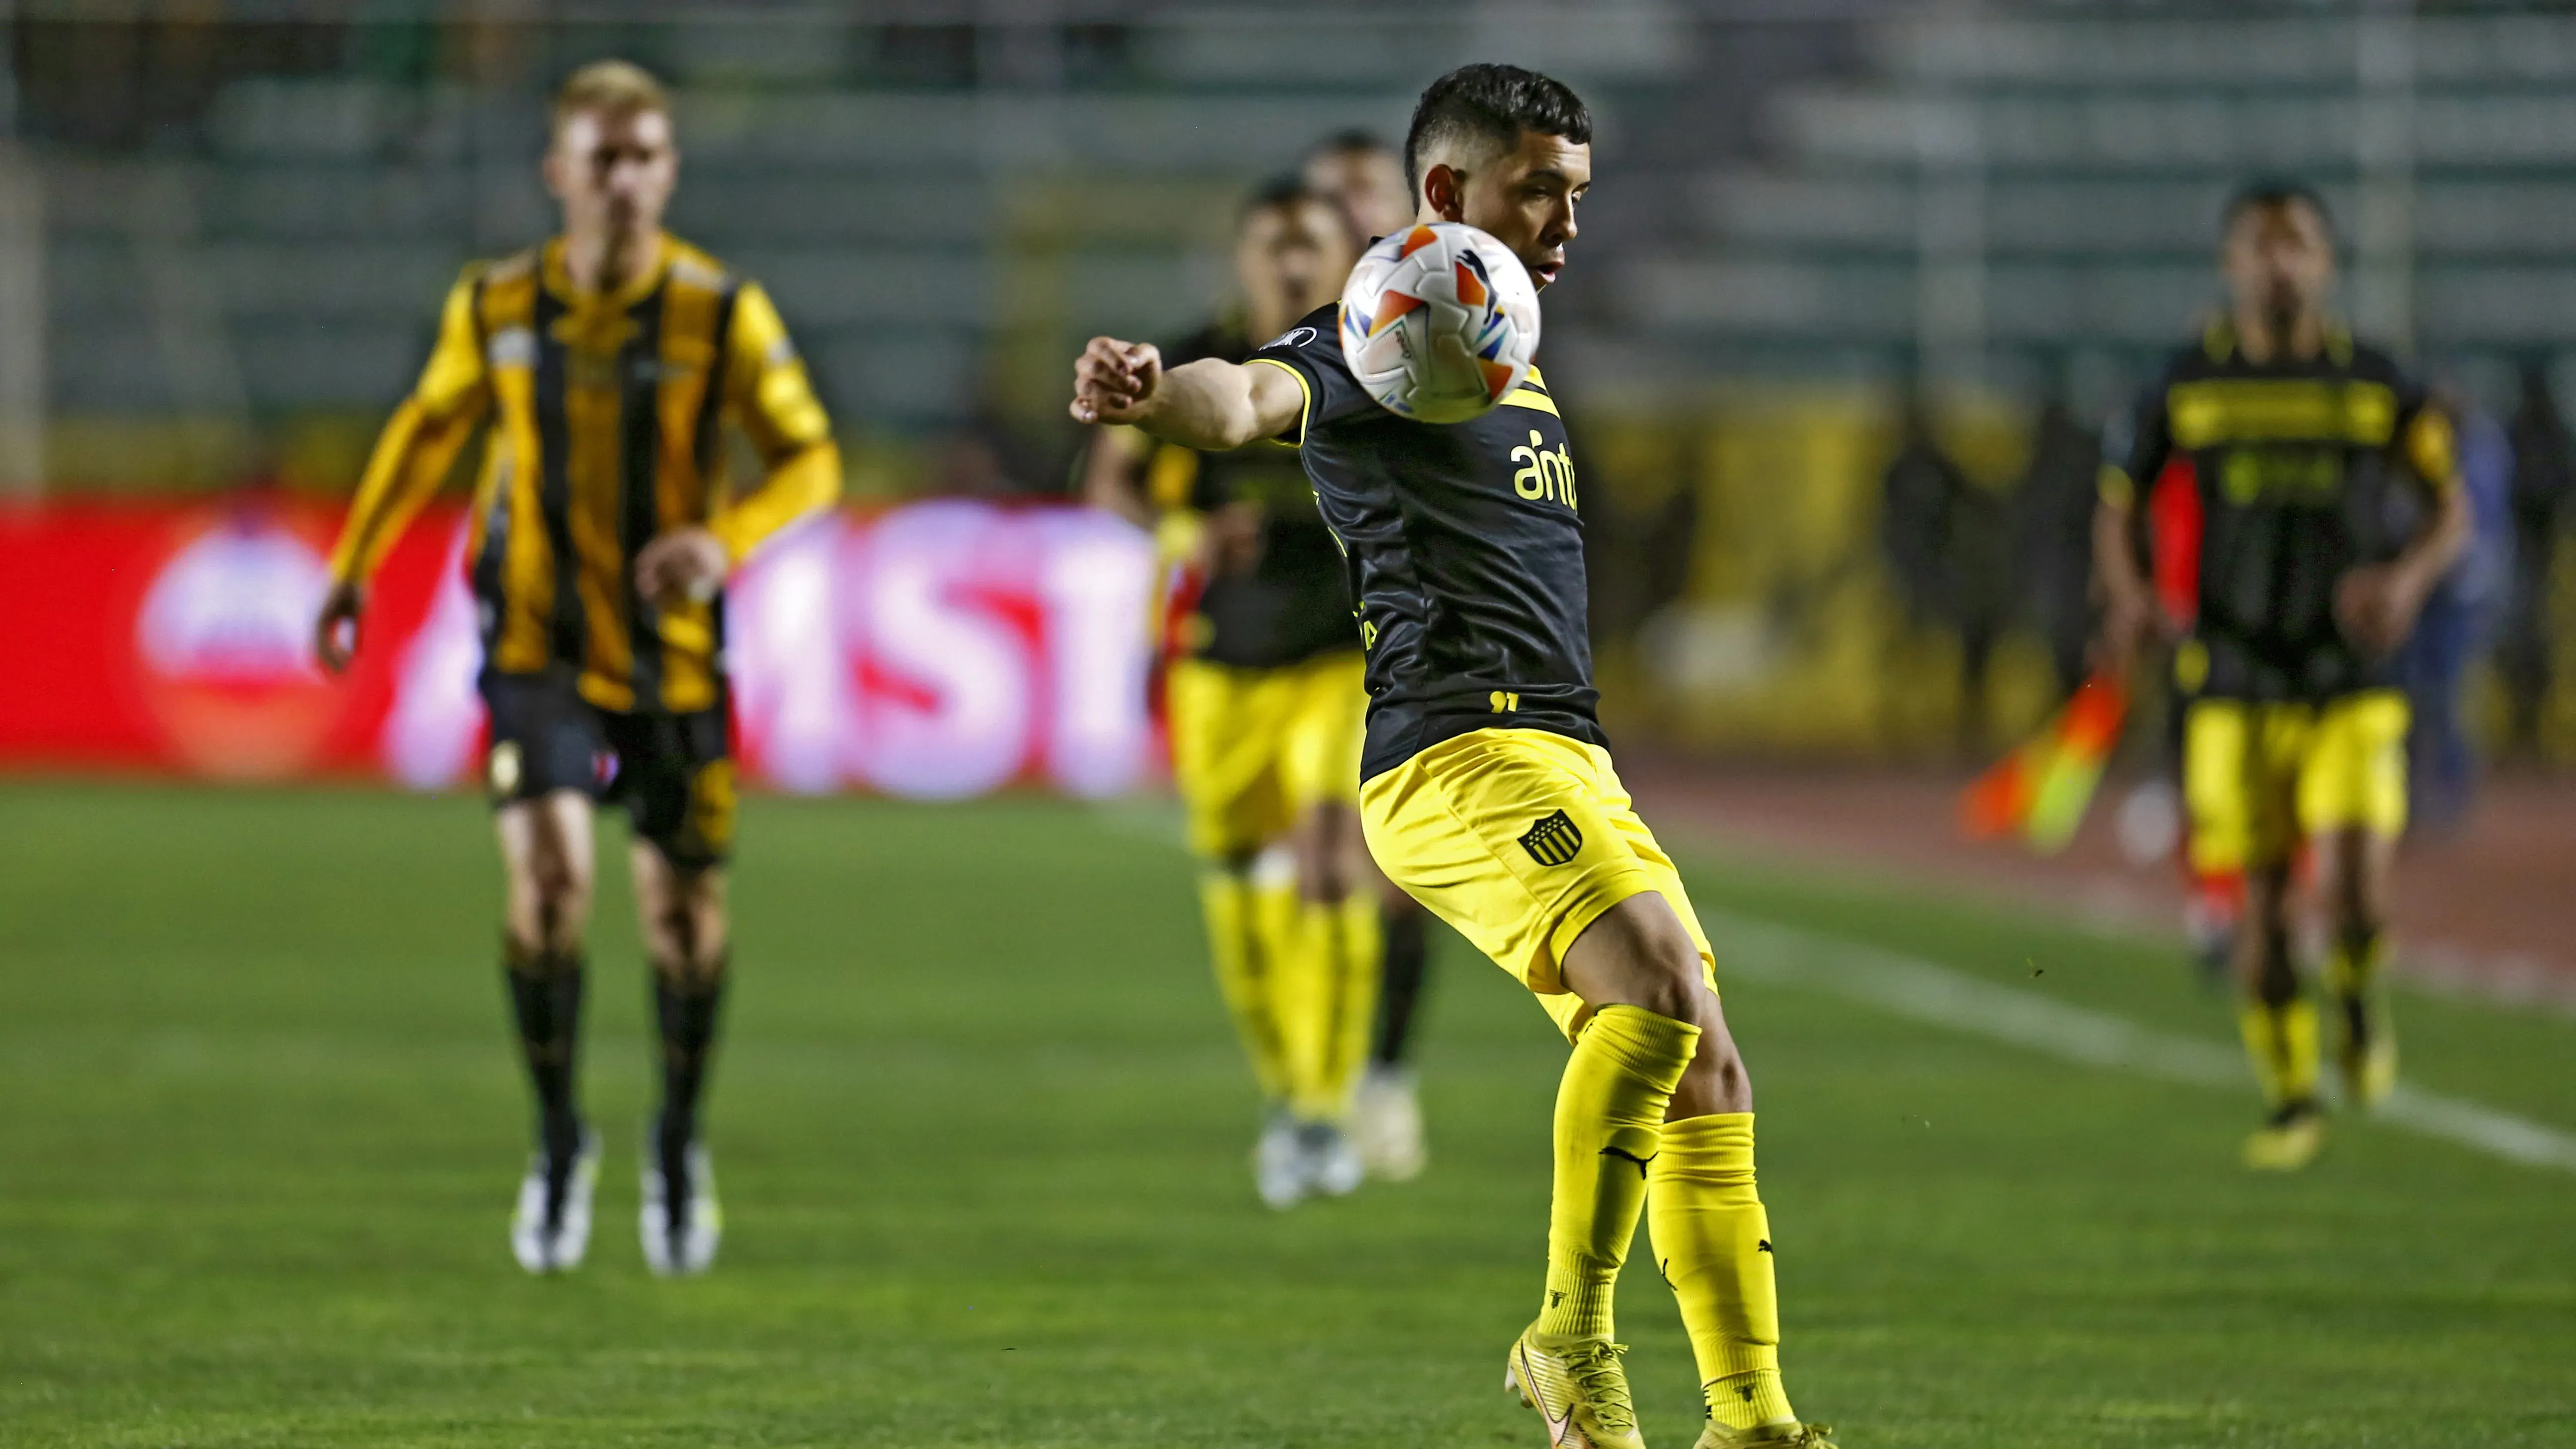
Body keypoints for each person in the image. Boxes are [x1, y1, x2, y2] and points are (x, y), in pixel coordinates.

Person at [1072, 63, 1834, 1449]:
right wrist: (1150, 393)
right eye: (1541, 187)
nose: (1568, 218)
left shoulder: (1507, 345)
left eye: (1578, 192)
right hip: (1455, 754)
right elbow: (1245, 399)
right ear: (1448, 193)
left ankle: (1753, 1419)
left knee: (1705, 1067)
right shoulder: (1382, 336)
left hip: (1564, 751)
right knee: (1656, 994)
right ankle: (1570, 1337)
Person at [313, 60, 841, 1274]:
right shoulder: (496, 304)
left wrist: (726, 537)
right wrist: (350, 564)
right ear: (558, 172)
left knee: (681, 922)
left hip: (675, 659)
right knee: (547, 890)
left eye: (646, 155)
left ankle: (675, 1143)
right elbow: (425, 427)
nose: (626, 179)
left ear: (671, 169)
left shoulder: (720, 309)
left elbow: (809, 460)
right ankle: (558, 1143)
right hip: (535, 644)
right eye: (603, 157)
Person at [2094, 180, 2466, 1172]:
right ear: (2232, 266)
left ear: (2326, 264)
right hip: (2233, 678)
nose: (2279, 264)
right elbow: (2118, 501)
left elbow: (2450, 506)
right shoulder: (2186, 385)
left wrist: (2407, 578)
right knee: (2258, 907)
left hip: (2352, 675)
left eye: (2297, 245)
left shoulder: (2377, 383)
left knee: (2351, 890)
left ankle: (2354, 998)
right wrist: (2130, 593)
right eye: (2262, 248)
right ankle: (2292, 1091)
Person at [1081, 177, 1378, 1209]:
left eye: (1311, 244)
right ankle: (1284, 1095)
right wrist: (1185, 538)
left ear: (1346, 254)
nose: (1291, 262)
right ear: (1241, 254)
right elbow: (1107, 482)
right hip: (1221, 662)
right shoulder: (1194, 352)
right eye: (1271, 243)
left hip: (1344, 655)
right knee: (1240, 882)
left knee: (1333, 861)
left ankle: (1328, 1105)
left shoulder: (1372, 357)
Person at [1301, 127, 1438, 1181]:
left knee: (1388, 883)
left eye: (1359, 193)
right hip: (1301, 649)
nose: (1342, 215)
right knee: (1320, 868)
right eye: (1324, 198)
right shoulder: (1297, 335)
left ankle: (1381, 1076)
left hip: (1407, 645)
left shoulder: (1450, 322)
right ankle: (1318, 1080)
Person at [2500, 359, 2573, 763]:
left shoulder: (2537, 431)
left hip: (2542, 546)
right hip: (2527, 545)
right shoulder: (2535, 431)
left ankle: (2540, 731)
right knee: (2525, 632)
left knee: (2539, 634)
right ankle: (2525, 729)